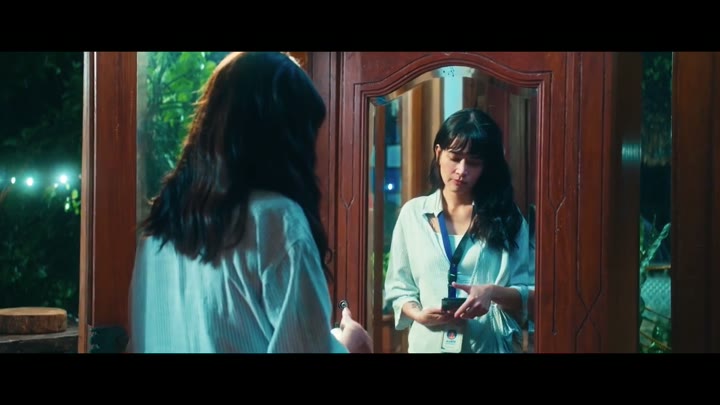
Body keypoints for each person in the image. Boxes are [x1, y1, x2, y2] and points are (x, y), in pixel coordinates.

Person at [127, 52, 372, 354]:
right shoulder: (277, 221)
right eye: (308, 135)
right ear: (285, 138)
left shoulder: (159, 231)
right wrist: (351, 346)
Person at [383, 108, 532, 353]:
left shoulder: (506, 217)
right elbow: (399, 289)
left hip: (487, 345)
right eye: (454, 158)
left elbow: (531, 292)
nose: (462, 170)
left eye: (473, 162)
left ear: (486, 166)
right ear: (438, 153)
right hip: (428, 345)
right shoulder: (413, 214)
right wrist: (419, 314)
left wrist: (491, 293)